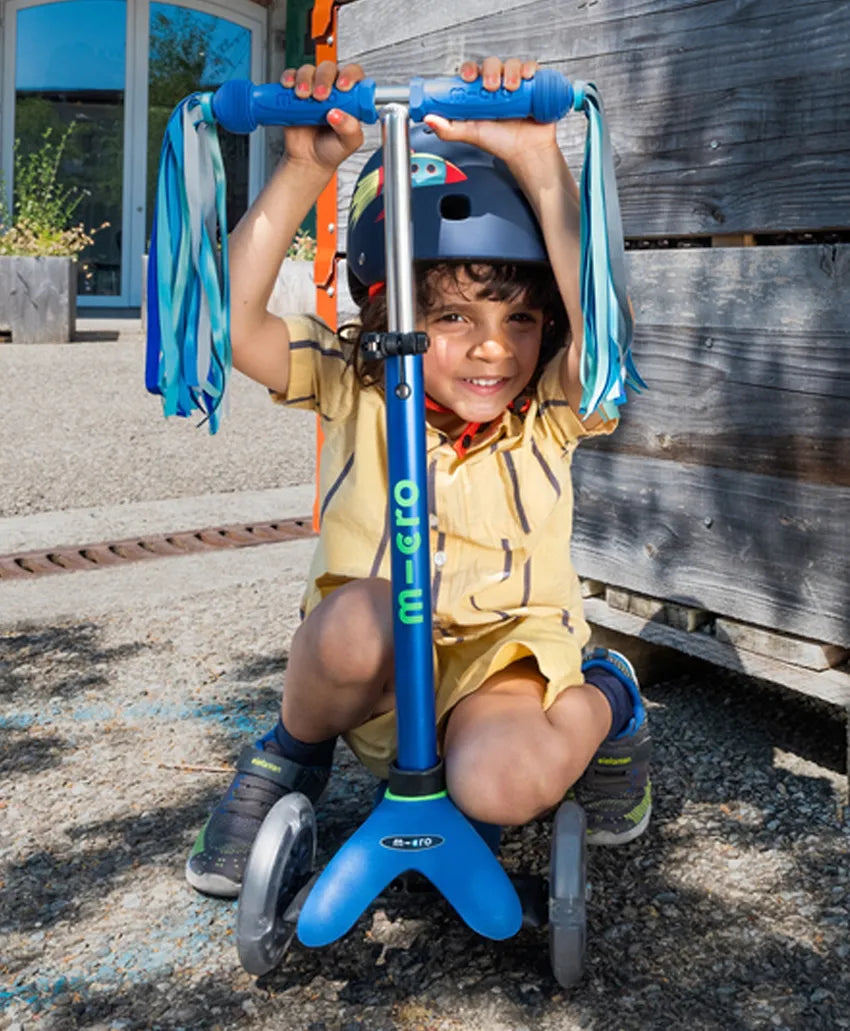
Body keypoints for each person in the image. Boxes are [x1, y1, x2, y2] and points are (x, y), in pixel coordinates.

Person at [186, 56, 651, 898]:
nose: (492, 348)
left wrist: (545, 164)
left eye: (520, 318)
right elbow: (230, 321)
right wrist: (305, 168)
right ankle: (290, 753)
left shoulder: (548, 406)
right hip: (374, 670)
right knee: (356, 620)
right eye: (452, 317)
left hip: (501, 666)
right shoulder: (351, 379)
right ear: (392, 309)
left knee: (503, 789)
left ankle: (611, 696)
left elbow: (604, 336)